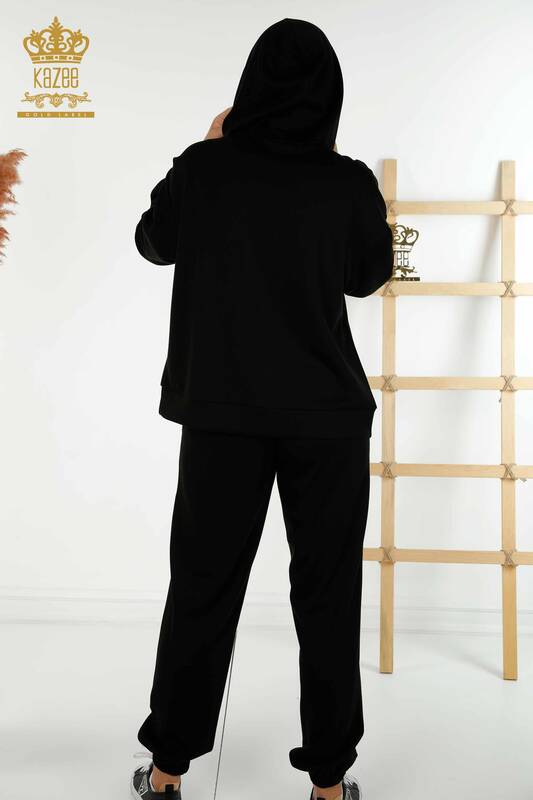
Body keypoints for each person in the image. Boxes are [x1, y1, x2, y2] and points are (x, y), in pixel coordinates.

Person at [130, 17, 393, 800]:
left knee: (202, 587)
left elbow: (153, 241)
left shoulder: (207, 169)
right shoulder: (346, 180)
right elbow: (367, 276)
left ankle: (167, 774)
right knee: (327, 593)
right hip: (327, 418)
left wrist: (206, 147)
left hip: (223, 416)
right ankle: (328, 785)